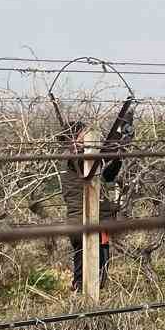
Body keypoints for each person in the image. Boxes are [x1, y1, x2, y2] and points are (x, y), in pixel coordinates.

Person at [58, 121, 123, 291]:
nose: (91, 138)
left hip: (88, 218)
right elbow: (93, 166)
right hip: (87, 218)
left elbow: (107, 175)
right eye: (85, 134)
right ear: (74, 138)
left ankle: (82, 297)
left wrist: (117, 154)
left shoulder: (78, 158)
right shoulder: (75, 157)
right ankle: (87, 304)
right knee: (94, 270)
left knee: (88, 265)